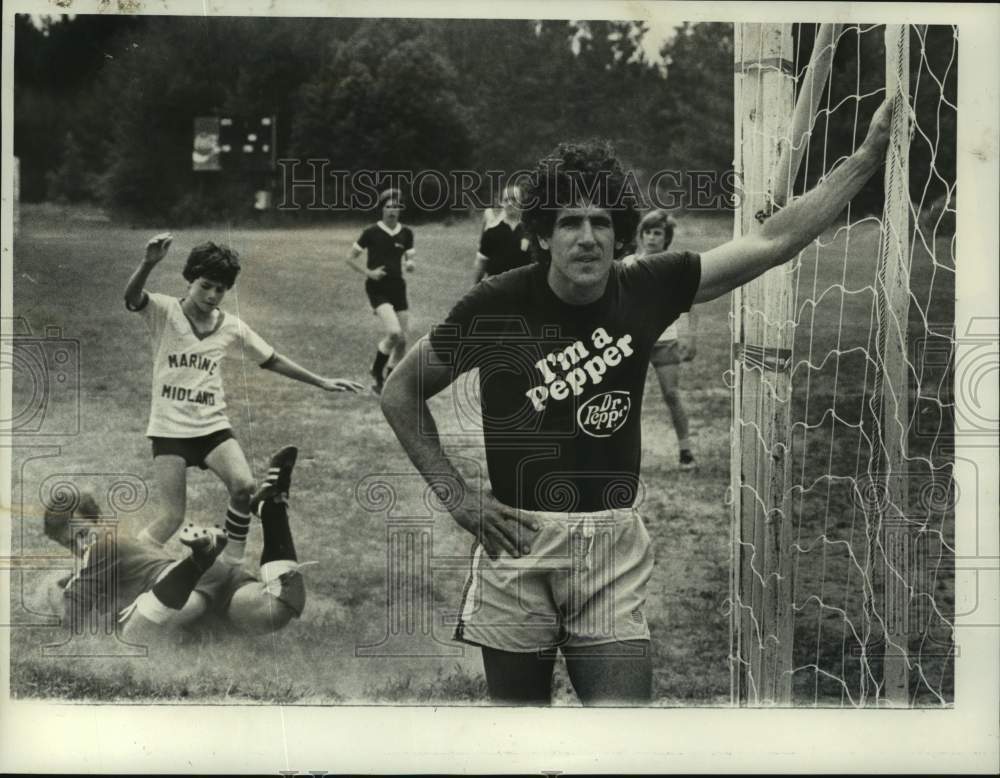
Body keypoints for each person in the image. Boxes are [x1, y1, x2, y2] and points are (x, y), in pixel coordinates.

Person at [380, 101, 893, 705]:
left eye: (601, 221)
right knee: (518, 740)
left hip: (610, 545)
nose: (588, 237)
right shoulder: (494, 306)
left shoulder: (648, 286)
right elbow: (400, 391)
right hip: (516, 543)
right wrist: (460, 498)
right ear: (542, 233)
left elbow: (772, 241)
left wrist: (864, 161)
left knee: (622, 735)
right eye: (570, 222)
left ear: (620, 230)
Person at [124, 238, 365, 561]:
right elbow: (132, 298)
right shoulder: (165, 311)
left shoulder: (231, 327)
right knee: (171, 518)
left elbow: (272, 358)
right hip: (169, 430)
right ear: (189, 280)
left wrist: (321, 381)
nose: (212, 296)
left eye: (220, 290)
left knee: (243, 487)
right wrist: (149, 263)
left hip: (212, 426)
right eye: (205, 286)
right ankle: (121, 567)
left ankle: (231, 565)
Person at [46, 446, 308, 641]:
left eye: (81, 535)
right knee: (277, 607)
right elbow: (168, 520)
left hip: (175, 587)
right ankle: (272, 512)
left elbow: (73, 615)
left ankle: (196, 561)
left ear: (100, 523)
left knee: (131, 639)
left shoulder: (101, 547)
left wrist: (54, 593)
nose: (80, 548)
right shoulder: (135, 545)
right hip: (211, 579)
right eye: (70, 545)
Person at [622, 210, 698, 469]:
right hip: (635, 342)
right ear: (641, 235)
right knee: (628, 398)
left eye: (658, 233)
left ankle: (685, 451)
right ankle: (623, 454)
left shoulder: (673, 265)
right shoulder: (629, 263)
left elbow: (689, 304)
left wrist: (689, 335)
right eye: (648, 232)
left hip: (666, 340)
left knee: (672, 394)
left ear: (666, 239)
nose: (652, 237)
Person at [347, 188, 416, 394]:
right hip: (378, 288)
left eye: (396, 207)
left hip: (398, 288)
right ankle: (377, 372)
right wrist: (369, 273)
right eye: (388, 206)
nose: (392, 211)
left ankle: (389, 376)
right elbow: (349, 258)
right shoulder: (371, 232)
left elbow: (410, 257)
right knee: (393, 333)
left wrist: (411, 263)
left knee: (402, 341)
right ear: (382, 209)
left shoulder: (406, 233)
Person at [473, 183, 532, 285]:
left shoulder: (531, 232)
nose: (510, 203)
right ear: (501, 203)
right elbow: (481, 265)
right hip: (496, 292)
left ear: (522, 202)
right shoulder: (491, 232)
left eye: (514, 199)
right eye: (506, 200)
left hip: (523, 291)